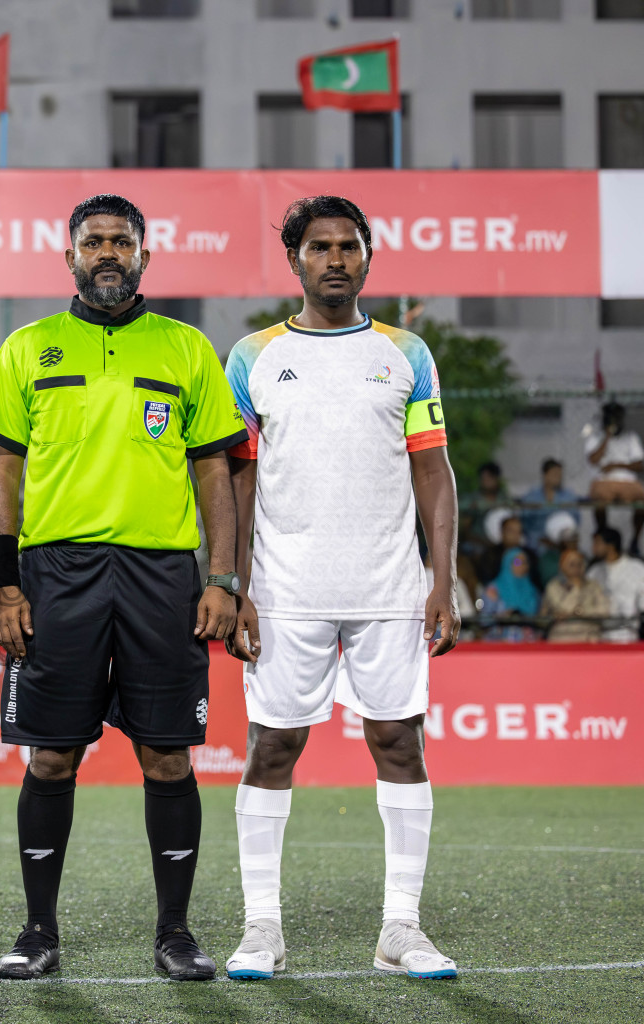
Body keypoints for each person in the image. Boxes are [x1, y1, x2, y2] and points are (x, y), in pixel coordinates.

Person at [0, 193, 246, 982]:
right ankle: (38, 932)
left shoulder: (186, 348)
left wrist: (222, 577)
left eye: (121, 242)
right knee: (52, 757)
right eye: (93, 241)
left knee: (167, 757)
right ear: (69, 256)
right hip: (56, 575)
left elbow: (215, 471)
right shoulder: (27, 349)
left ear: (143, 257)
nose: (107, 252)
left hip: (163, 577)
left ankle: (174, 933)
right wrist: (4, 586)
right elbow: (2, 473)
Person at [224, 195, 461, 981]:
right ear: (294, 260)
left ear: (368, 257)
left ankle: (402, 928)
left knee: (399, 741)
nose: (335, 259)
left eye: (348, 246)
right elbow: (239, 480)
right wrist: (235, 584)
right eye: (319, 247)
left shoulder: (406, 352)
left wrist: (442, 577)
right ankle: (262, 929)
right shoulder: (252, 356)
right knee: (273, 747)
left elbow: (434, 469)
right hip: (286, 590)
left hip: (390, 586)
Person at [584, 401, 644, 551]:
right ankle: (603, 535)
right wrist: (607, 437)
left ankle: (635, 540)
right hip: (604, 481)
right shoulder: (595, 437)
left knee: (642, 499)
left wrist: (616, 465)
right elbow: (593, 459)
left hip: (627, 481)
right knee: (599, 499)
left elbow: (639, 464)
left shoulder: (630, 438)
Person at [587, 527, 644, 643]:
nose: (593, 548)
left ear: (610, 545)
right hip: (599, 636)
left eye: (597, 543)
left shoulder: (637, 568)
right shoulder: (594, 571)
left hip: (628, 635)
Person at [540, 548, 609, 643]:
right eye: (572, 564)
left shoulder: (593, 585)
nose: (576, 567)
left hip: (589, 638)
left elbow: (604, 610)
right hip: (562, 639)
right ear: (562, 566)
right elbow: (564, 607)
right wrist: (576, 586)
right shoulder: (554, 586)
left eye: (579, 564)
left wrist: (580, 611)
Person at [482, 549, 541, 642]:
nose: (523, 566)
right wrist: (501, 616)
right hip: (498, 642)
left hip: (527, 644)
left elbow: (538, 619)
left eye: (525, 562)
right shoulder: (493, 589)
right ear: (507, 564)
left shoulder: (532, 590)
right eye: (517, 562)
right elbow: (484, 621)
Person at [518, 459, 578, 547]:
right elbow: (524, 522)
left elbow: (575, 520)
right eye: (555, 474)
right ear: (545, 475)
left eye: (560, 475)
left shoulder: (569, 496)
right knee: (517, 559)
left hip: (562, 544)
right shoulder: (531, 497)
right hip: (536, 544)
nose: (558, 477)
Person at [477, 514, 542, 589]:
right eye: (511, 531)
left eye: (519, 531)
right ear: (502, 532)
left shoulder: (529, 555)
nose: (515, 535)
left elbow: (535, 580)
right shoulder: (491, 555)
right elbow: (486, 579)